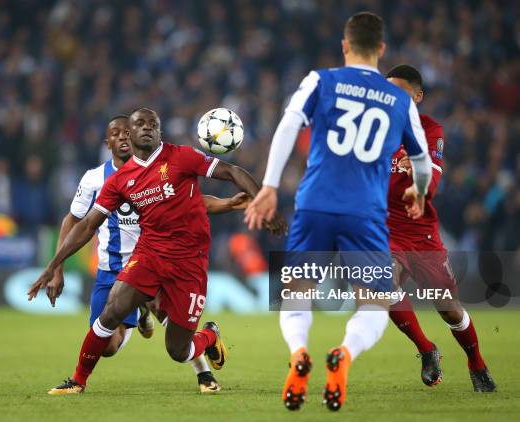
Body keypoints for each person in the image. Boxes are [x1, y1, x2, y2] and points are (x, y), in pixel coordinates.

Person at [245, 12, 432, 411]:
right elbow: (423, 162)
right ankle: (344, 354)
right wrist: (418, 192)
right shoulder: (400, 100)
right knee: (375, 302)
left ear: (345, 45)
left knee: (296, 294)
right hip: (365, 213)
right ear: (381, 49)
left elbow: (288, 124)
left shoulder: (321, 80)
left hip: (314, 205)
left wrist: (270, 186)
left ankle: (299, 355)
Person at [29, 107, 284, 394]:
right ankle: (78, 380)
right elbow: (87, 225)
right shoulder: (118, 180)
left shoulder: (182, 157)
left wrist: (264, 201)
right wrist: (53, 266)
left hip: (189, 262)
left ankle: (209, 336)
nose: (147, 127)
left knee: (178, 350)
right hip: (149, 255)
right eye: (140, 123)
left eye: (153, 124)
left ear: (159, 131)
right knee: (112, 311)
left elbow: (231, 172)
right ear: (130, 132)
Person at [385, 64, 496, 392]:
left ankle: (476, 363)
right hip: (386, 230)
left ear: (417, 97)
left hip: (422, 235)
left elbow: (432, 178)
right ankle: (426, 349)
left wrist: (418, 186)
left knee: (449, 309)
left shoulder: (430, 130)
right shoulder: (374, 132)